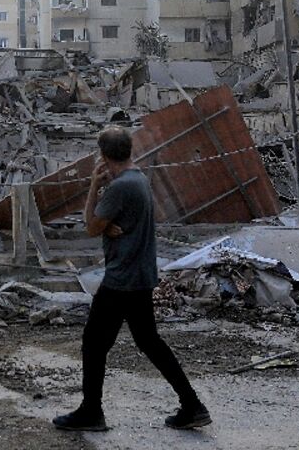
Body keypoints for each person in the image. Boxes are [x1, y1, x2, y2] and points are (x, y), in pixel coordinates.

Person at [53, 126, 211, 433]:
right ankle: (192, 405)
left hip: (121, 278)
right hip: (139, 275)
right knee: (149, 341)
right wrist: (107, 219)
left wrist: (92, 189)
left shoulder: (120, 188)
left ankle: (91, 412)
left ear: (102, 156)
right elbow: (109, 221)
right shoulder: (137, 180)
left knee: (94, 344)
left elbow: (90, 226)